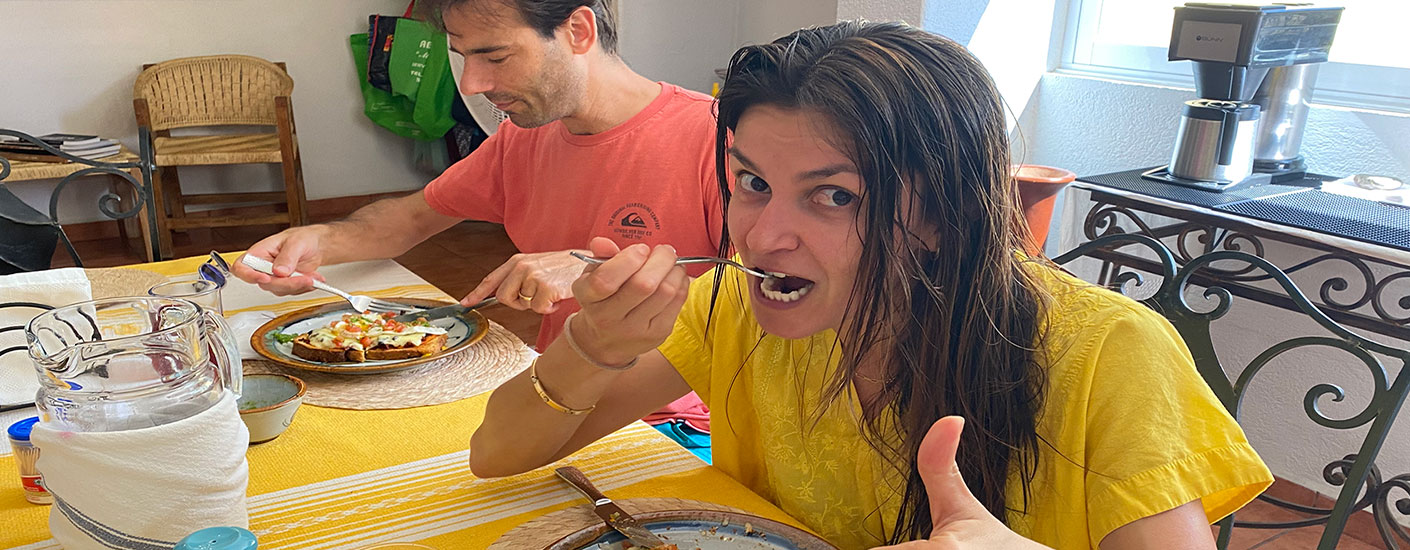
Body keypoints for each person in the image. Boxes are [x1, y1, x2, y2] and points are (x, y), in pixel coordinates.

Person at [467, 21, 1273, 549]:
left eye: (835, 195)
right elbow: (495, 454)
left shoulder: (1106, 353)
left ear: (943, 211)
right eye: (751, 183)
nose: (761, 234)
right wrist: (595, 344)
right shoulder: (730, 307)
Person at [228, 0, 716, 440]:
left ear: (578, 31)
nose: (472, 84)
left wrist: (592, 269)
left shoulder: (717, 140)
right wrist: (318, 239)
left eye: (495, 57)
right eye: (463, 57)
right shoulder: (523, 140)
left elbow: (765, 300)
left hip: (672, 419)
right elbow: (411, 219)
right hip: (554, 399)